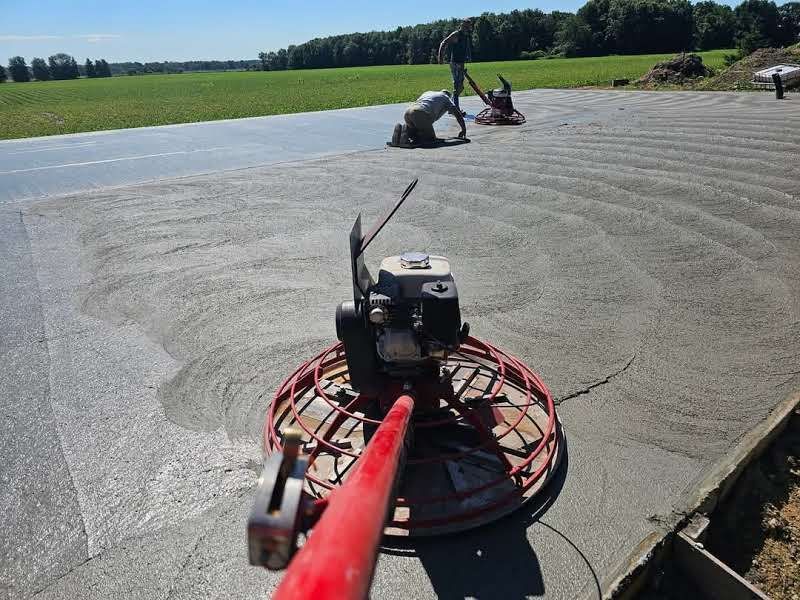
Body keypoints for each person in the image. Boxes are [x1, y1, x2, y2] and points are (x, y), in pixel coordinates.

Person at [402, 90, 467, 144]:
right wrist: (463, 129)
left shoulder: (428, 93)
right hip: (419, 113)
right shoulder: (446, 98)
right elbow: (457, 114)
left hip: (407, 112)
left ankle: (406, 133)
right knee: (431, 139)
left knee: (416, 132)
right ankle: (416, 135)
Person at [438, 19, 473, 112]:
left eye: (468, 26)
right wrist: (440, 57)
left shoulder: (466, 36)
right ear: (461, 25)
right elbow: (444, 42)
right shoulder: (456, 34)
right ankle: (455, 109)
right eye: (465, 25)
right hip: (455, 63)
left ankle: (451, 106)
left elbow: (466, 46)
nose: (467, 27)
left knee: (460, 87)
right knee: (457, 86)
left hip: (461, 63)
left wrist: (468, 56)